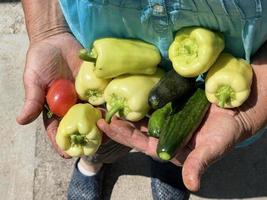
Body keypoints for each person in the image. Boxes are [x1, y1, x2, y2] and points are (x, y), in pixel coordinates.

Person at [17, 0, 267, 199]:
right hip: (96, 58)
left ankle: (167, 159)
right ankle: (92, 162)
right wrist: (48, 30)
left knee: (176, 137)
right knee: (101, 129)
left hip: (218, 71)